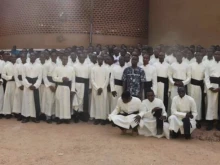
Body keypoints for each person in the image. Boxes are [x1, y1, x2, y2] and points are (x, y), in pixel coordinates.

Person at [53, 55, 76, 124]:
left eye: (66, 59)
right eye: (63, 59)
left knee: (66, 103)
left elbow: (73, 80)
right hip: (59, 87)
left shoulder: (71, 68)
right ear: (61, 60)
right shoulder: (57, 68)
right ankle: (60, 118)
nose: (65, 60)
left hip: (67, 88)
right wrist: (61, 79)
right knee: (59, 102)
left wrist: (72, 89)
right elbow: (54, 77)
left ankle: (66, 118)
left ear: (67, 60)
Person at [21, 52, 43, 123]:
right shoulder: (25, 65)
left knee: (34, 102)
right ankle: (26, 116)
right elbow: (23, 77)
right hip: (27, 86)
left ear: (36, 57)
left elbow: (40, 78)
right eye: (31, 56)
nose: (33, 57)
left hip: (35, 86)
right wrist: (28, 85)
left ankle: (34, 116)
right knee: (26, 101)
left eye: (34, 56)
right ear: (29, 57)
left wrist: (35, 85)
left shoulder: (39, 66)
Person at [90, 55, 110, 125]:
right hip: (96, 89)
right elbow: (92, 80)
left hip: (103, 89)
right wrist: (97, 88)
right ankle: (97, 118)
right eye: (99, 59)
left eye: (101, 59)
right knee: (96, 103)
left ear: (103, 59)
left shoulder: (106, 68)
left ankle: (103, 118)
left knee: (103, 103)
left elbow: (107, 80)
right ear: (97, 59)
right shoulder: (93, 68)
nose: (100, 60)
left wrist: (102, 88)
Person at [72, 53, 90, 123]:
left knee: (82, 100)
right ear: (78, 58)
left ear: (85, 58)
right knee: (76, 100)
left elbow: (89, 77)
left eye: (83, 57)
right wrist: (73, 87)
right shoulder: (74, 66)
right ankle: (76, 115)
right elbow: (73, 77)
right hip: (77, 84)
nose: (81, 59)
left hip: (85, 85)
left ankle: (81, 114)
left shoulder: (88, 66)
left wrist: (89, 87)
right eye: (80, 57)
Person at [189, 52, 205, 128]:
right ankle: (191, 118)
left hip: (199, 87)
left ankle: (197, 119)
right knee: (191, 102)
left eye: (200, 55)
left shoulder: (204, 66)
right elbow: (189, 77)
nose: (198, 56)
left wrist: (204, 90)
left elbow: (205, 78)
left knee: (198, 103)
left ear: (202, 56)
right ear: (195, 56)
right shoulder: (191, 65)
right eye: (197, 55)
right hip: (191, 86)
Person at [205, 51, 220, 130]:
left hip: (219, 86)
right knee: (210, 104)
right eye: (216, 54)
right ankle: (210, 122)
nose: (217, 55)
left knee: (218, 105)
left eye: (219, 54)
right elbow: (206, 77)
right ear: (214, 55)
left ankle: (218, 123)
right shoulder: (209, 64)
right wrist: (210, 87)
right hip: (211, 86)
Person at [41, 52, 57, 123]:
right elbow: (44, 76)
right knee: (49, 101)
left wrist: (56, 85)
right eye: (53, 56)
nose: (54, 57)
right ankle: (48, 116)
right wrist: (50, 85)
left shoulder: (58, 65)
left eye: (55, 56)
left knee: (54, 101)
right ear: (51, 56)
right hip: (49, 85)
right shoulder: (46, 65)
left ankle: (53, 115)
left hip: (56, 84)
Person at [12, 53, 26, 121]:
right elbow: (16, 76)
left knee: (25, 100)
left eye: (24, 57)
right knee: (19, 100)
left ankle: (25, 114)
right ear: (20, 58)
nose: (23, 58)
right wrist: (19, 85)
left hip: (26, 85)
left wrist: (26, 84)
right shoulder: (17, 66)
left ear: (26, 58)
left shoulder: (27, 65)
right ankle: (20, 114)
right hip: (19, 84)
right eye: (22, 57)